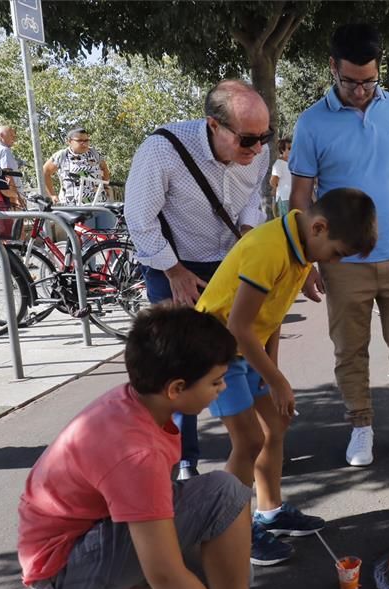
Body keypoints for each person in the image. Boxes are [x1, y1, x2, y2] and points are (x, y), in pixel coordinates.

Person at [17, 305, 318, 589]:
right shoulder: (136, 452)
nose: (222, 389)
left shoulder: (137, 402)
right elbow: (166, 576)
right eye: (216, 381)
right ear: (176, 388)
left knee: (224, 573)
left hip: (78, 541)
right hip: (63, 566)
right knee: (225, 498)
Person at [196, 187, 376, 566]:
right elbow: (239, 325)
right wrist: (277, 381)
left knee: (275, 426)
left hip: (245, 350)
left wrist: (272, 375)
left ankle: (270, 510)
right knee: (247, 440)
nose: (336, 262)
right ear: (320, 228)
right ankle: (232, 529)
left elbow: (271, 316)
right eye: (338, 254)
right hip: (214, 351)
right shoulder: (270, 248)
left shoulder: (301, 251)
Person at [289, 23, 389, 468]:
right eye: (351, 81)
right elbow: (300, 195)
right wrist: (306, 259)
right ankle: (361, 427)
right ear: (333, 68)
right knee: (349, 348)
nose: (360, 90)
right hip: (343, 260)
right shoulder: (312, 122)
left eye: (369, 80)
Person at [125, 79, 273, 484]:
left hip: (229, 261)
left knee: (233, 355)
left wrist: (247, 231)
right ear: (213, 125)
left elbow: (250, 199)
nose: (259, 150)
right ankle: (179, 462)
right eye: (248, 140)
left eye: (266, 137)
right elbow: (140, 218)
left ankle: (247, 449)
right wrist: (173, 271)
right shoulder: (162, 151)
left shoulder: (255, 151)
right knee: (176, 368)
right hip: (173, 264)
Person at [43, 128, 110, 205]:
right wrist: (52, 195)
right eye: (80, 141)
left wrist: (106, 187)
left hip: (98, 204)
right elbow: (45, 172)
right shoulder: (62, 155)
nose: (84, 143)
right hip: (72, 207)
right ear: (69, 141)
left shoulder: (94, 153)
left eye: (86, 140)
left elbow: (105, 168)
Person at [0, 125, 24, 207]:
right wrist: (17, 199)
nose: (14, 138)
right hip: (11, 197)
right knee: (17, 219)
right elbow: (8, 175)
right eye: (11, 135)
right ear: (1, 135)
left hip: (2, 196)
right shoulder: (4, 150)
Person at [270, 137, 293, 217]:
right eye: (289, 148)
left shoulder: (292, 163)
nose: (292, 150)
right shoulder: (279, 163)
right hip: (284, 198)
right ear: (282, 150)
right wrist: (275, 189)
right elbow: (273, 181)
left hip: (292, 197)